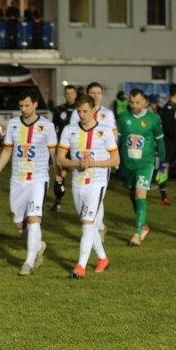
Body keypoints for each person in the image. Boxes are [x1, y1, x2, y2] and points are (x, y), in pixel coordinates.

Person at [0, 90, 57, 275]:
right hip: (18, 180)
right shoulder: (12, 125)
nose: (24, 109)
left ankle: (28, 262)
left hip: (38, 179)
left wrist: (59, 178)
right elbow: (7, 151)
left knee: (33, 219)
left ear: (35, 104)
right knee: (20, 225)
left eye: (27, 105)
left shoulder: (47, 126)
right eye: (20, 106)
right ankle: (39, 245)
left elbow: (54, 154)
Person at [56, 94, 119, 278]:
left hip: (97, 183)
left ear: (93, 111)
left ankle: (80, 267)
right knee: (88, 225)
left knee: (87, 223)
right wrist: (77, 164)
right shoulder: (69, 130)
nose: (82, 115)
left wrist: (94, 163)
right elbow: (60, 159)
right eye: (79, 111)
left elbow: (115, 159)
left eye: (85, 111)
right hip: (78, 182)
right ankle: (102, 258)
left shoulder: (105, 131)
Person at [116, 88, 167, 246]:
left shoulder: (153, 119)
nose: (134, 105)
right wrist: (115, 159)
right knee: (133, 196)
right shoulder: (123, 117)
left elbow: (160, 141)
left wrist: (163, 164)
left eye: (137, 102)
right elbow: (117, 141)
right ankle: (143, 225)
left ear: (145, 102)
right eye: (131, 102)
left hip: (146, 164)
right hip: (129, 165)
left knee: (140, 195)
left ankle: (137, 233)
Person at [67, 82, 117, 239]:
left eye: (99, 92)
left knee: (98, 195)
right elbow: (72, 135)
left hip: (101, 163)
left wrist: (111, 155)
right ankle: (97, 227)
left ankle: (95, 229)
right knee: (85, 198)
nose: (96, 95)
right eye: (93, 93)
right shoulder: (77, 114)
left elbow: (113, 135)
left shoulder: (107, 114)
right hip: (81, 161)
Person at [51, 85, 79, 211]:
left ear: (75, 94)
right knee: (60, 175)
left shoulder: (80, 109)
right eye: (67, 94)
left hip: (78, 146)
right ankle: (58, 201)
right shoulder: (58, 110)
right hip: (63, 146)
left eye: (72, 93)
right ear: (64, 95)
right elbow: (53, 128)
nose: (69, 96)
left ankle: (83, 200)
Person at [158, 83, 176, 204]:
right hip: (167, 143)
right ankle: (164, 196)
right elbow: (166, 127)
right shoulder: (168, 108)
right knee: (163, 169)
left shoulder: (175, 107)